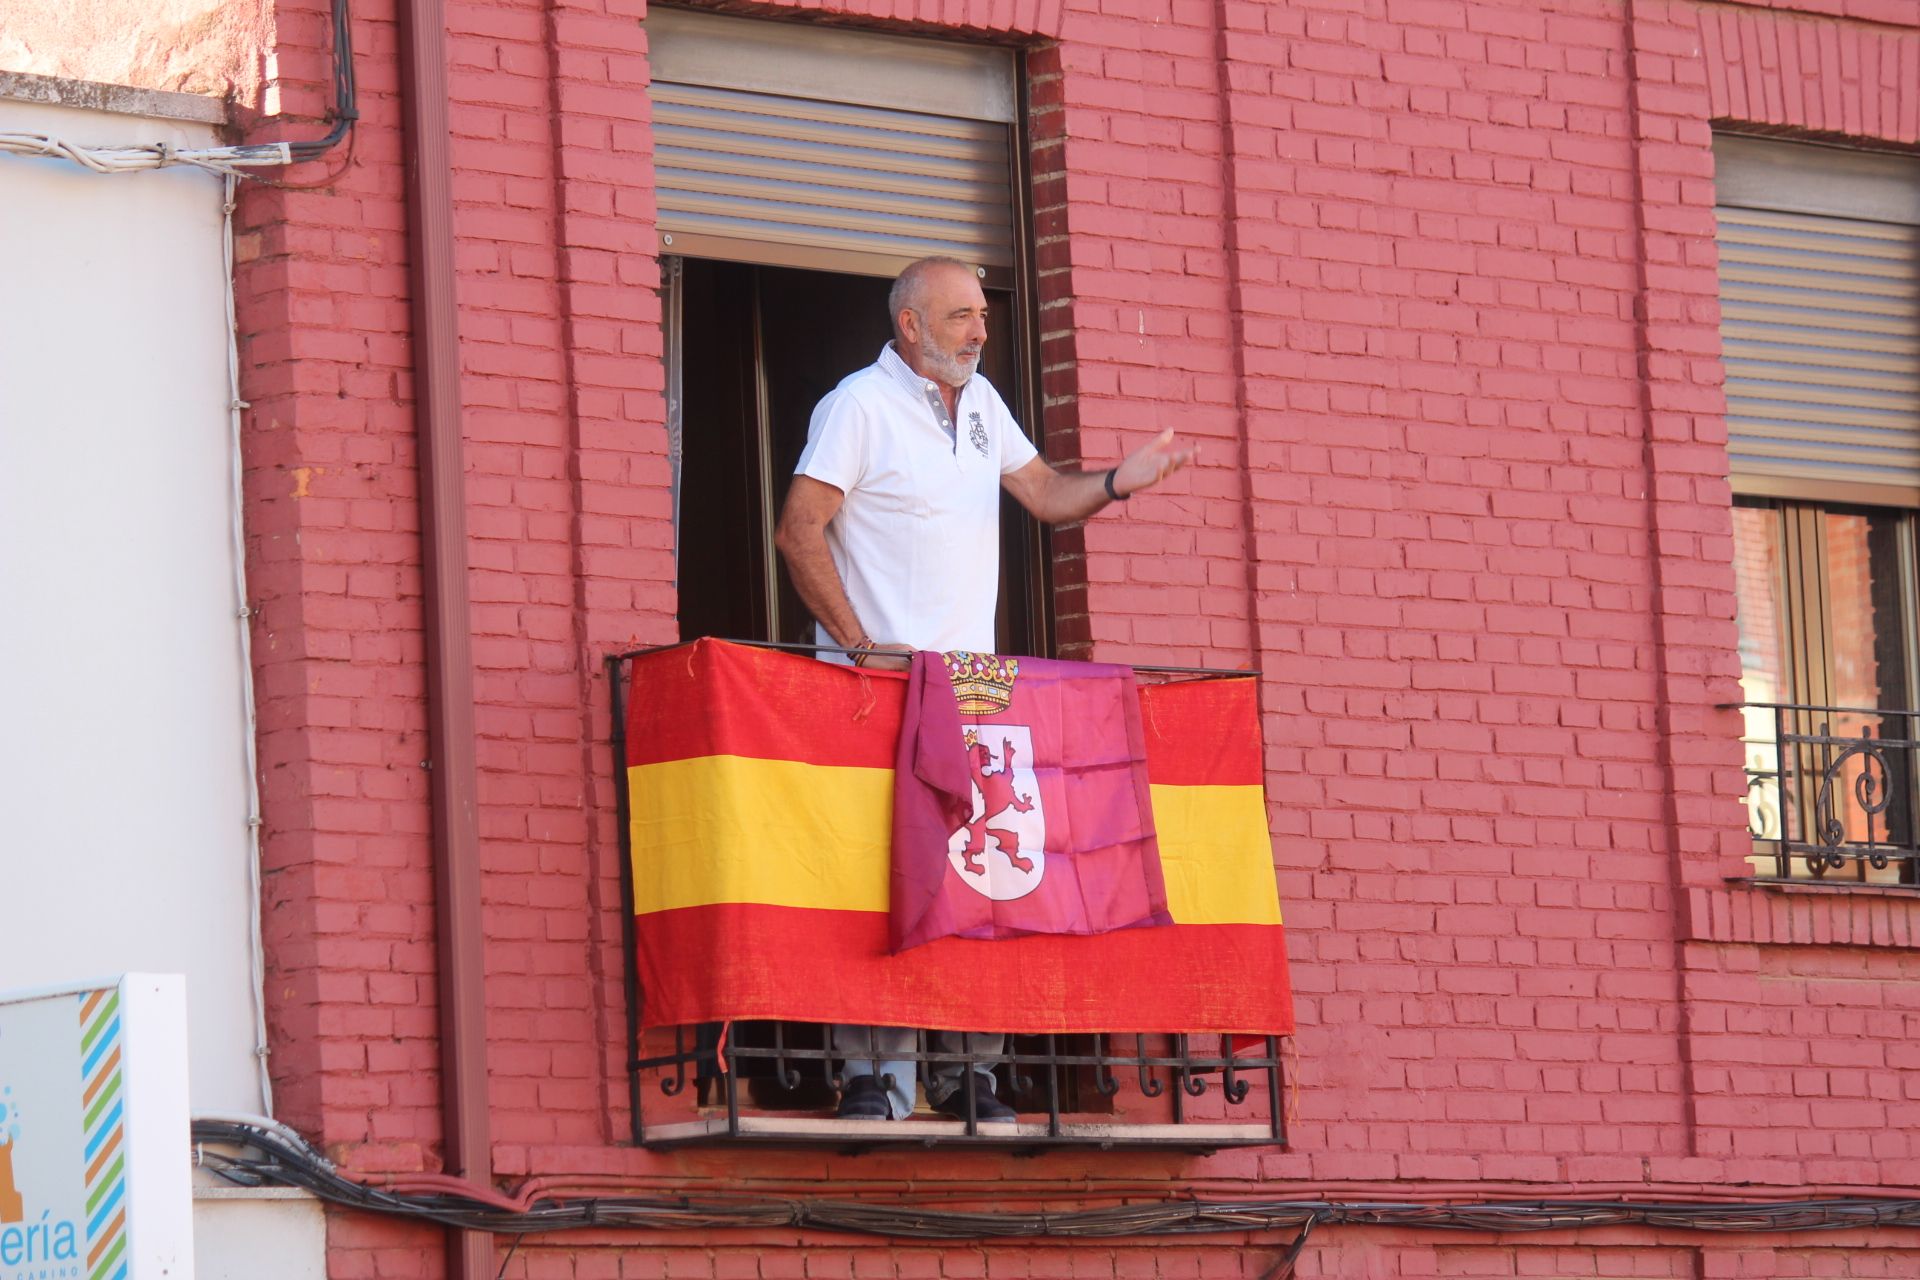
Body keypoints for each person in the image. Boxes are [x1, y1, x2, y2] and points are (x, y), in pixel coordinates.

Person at [773, 256, 1198, 1122]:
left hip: (971, 694)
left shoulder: (984, 405)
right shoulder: (859, 405)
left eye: (981, 314)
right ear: (911, 327)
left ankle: (970, 1071)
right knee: (881, 878)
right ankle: (874, 1078)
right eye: (963, 315)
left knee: (980, 877)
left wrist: (1119, 484)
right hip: (879, 696)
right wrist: (858, 650)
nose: (980, 329)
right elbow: (798, 529)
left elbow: (1042, 494)